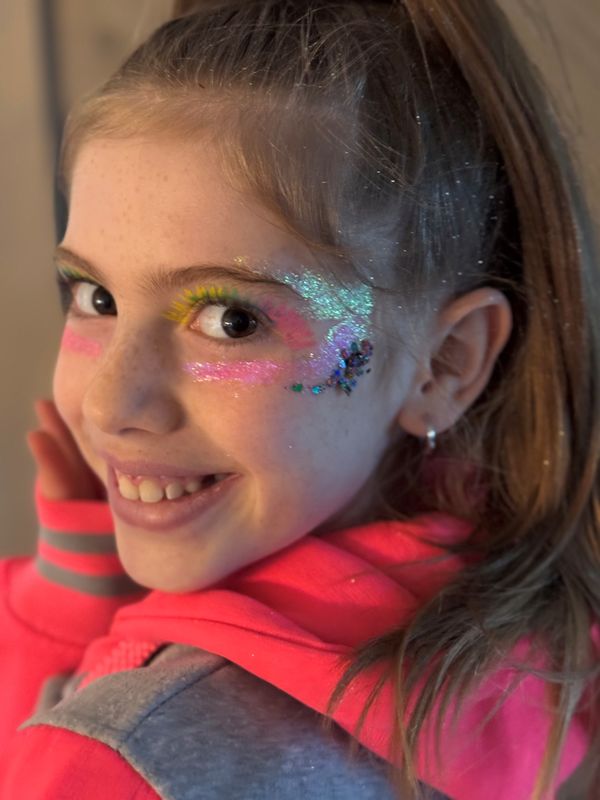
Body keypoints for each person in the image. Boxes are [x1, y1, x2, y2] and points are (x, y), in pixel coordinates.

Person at [0, 1, 597, 797]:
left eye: (231, 320)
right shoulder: (531, 653)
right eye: (95, 297)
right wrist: (87, 610)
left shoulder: (116, 761)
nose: (111, 404)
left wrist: (60, 649)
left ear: (444, 365)